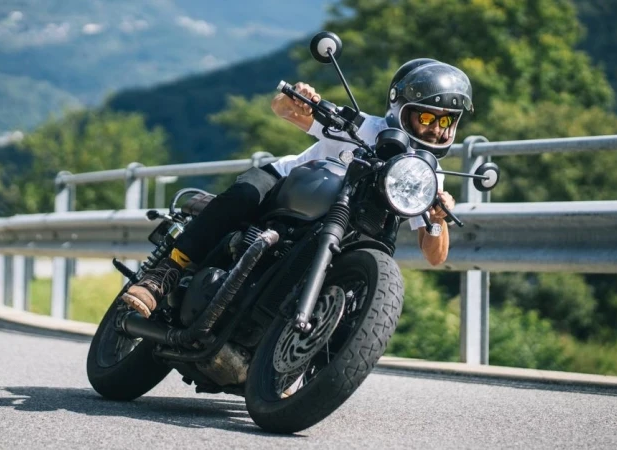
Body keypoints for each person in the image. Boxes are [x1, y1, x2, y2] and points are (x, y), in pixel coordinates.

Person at [121, 58, 471, 318]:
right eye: (427, 117)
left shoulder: (426, 175)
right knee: (244, 194)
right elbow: (283, 110)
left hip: (346, 229)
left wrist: (437, 218)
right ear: (401, 109)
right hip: (291, 183)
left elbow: (435, 255)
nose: (436, 129)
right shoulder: (364, 126)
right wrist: (300, 100)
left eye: (445, 121)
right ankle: (165, 272)